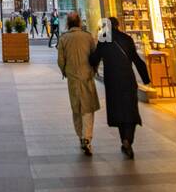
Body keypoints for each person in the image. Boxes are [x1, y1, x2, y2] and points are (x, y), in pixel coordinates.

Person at [90, 16, 150, 158]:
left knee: (118, 111)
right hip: (128, 79)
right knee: (130, 110)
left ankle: (124, 140)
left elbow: (94, 58)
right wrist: (146, 79)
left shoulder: (104, 39)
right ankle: (128, 139)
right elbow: (137, 60)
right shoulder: (127, 38)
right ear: (118, 25)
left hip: (112, 81)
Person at [57, 11, 99, 155]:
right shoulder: (87, 37)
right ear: (80, 22)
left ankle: (81, 136)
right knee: (88, 108)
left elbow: (61, 60)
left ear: (68, 23)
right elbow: (95, 56)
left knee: (76, 109)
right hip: (87, 77)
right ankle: (87, 137)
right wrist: (94, 70)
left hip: (73, 78)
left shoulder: (64, 39)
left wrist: (65, 72)